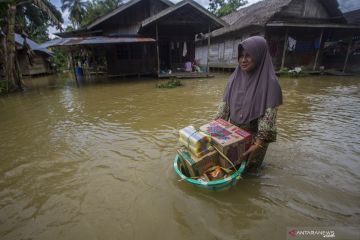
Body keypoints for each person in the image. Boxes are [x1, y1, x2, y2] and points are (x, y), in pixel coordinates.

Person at [215, 36, 283, 175]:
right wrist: (212, 133)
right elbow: (224, 109)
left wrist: (257, 145)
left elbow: (268, 120)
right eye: (241, 56)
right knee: (229, 168)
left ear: (259, 56)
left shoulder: (270, 83)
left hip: (255, 138)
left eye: (248, 56)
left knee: (249, 174)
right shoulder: (234, 78)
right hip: (233, 136)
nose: (243, 60)